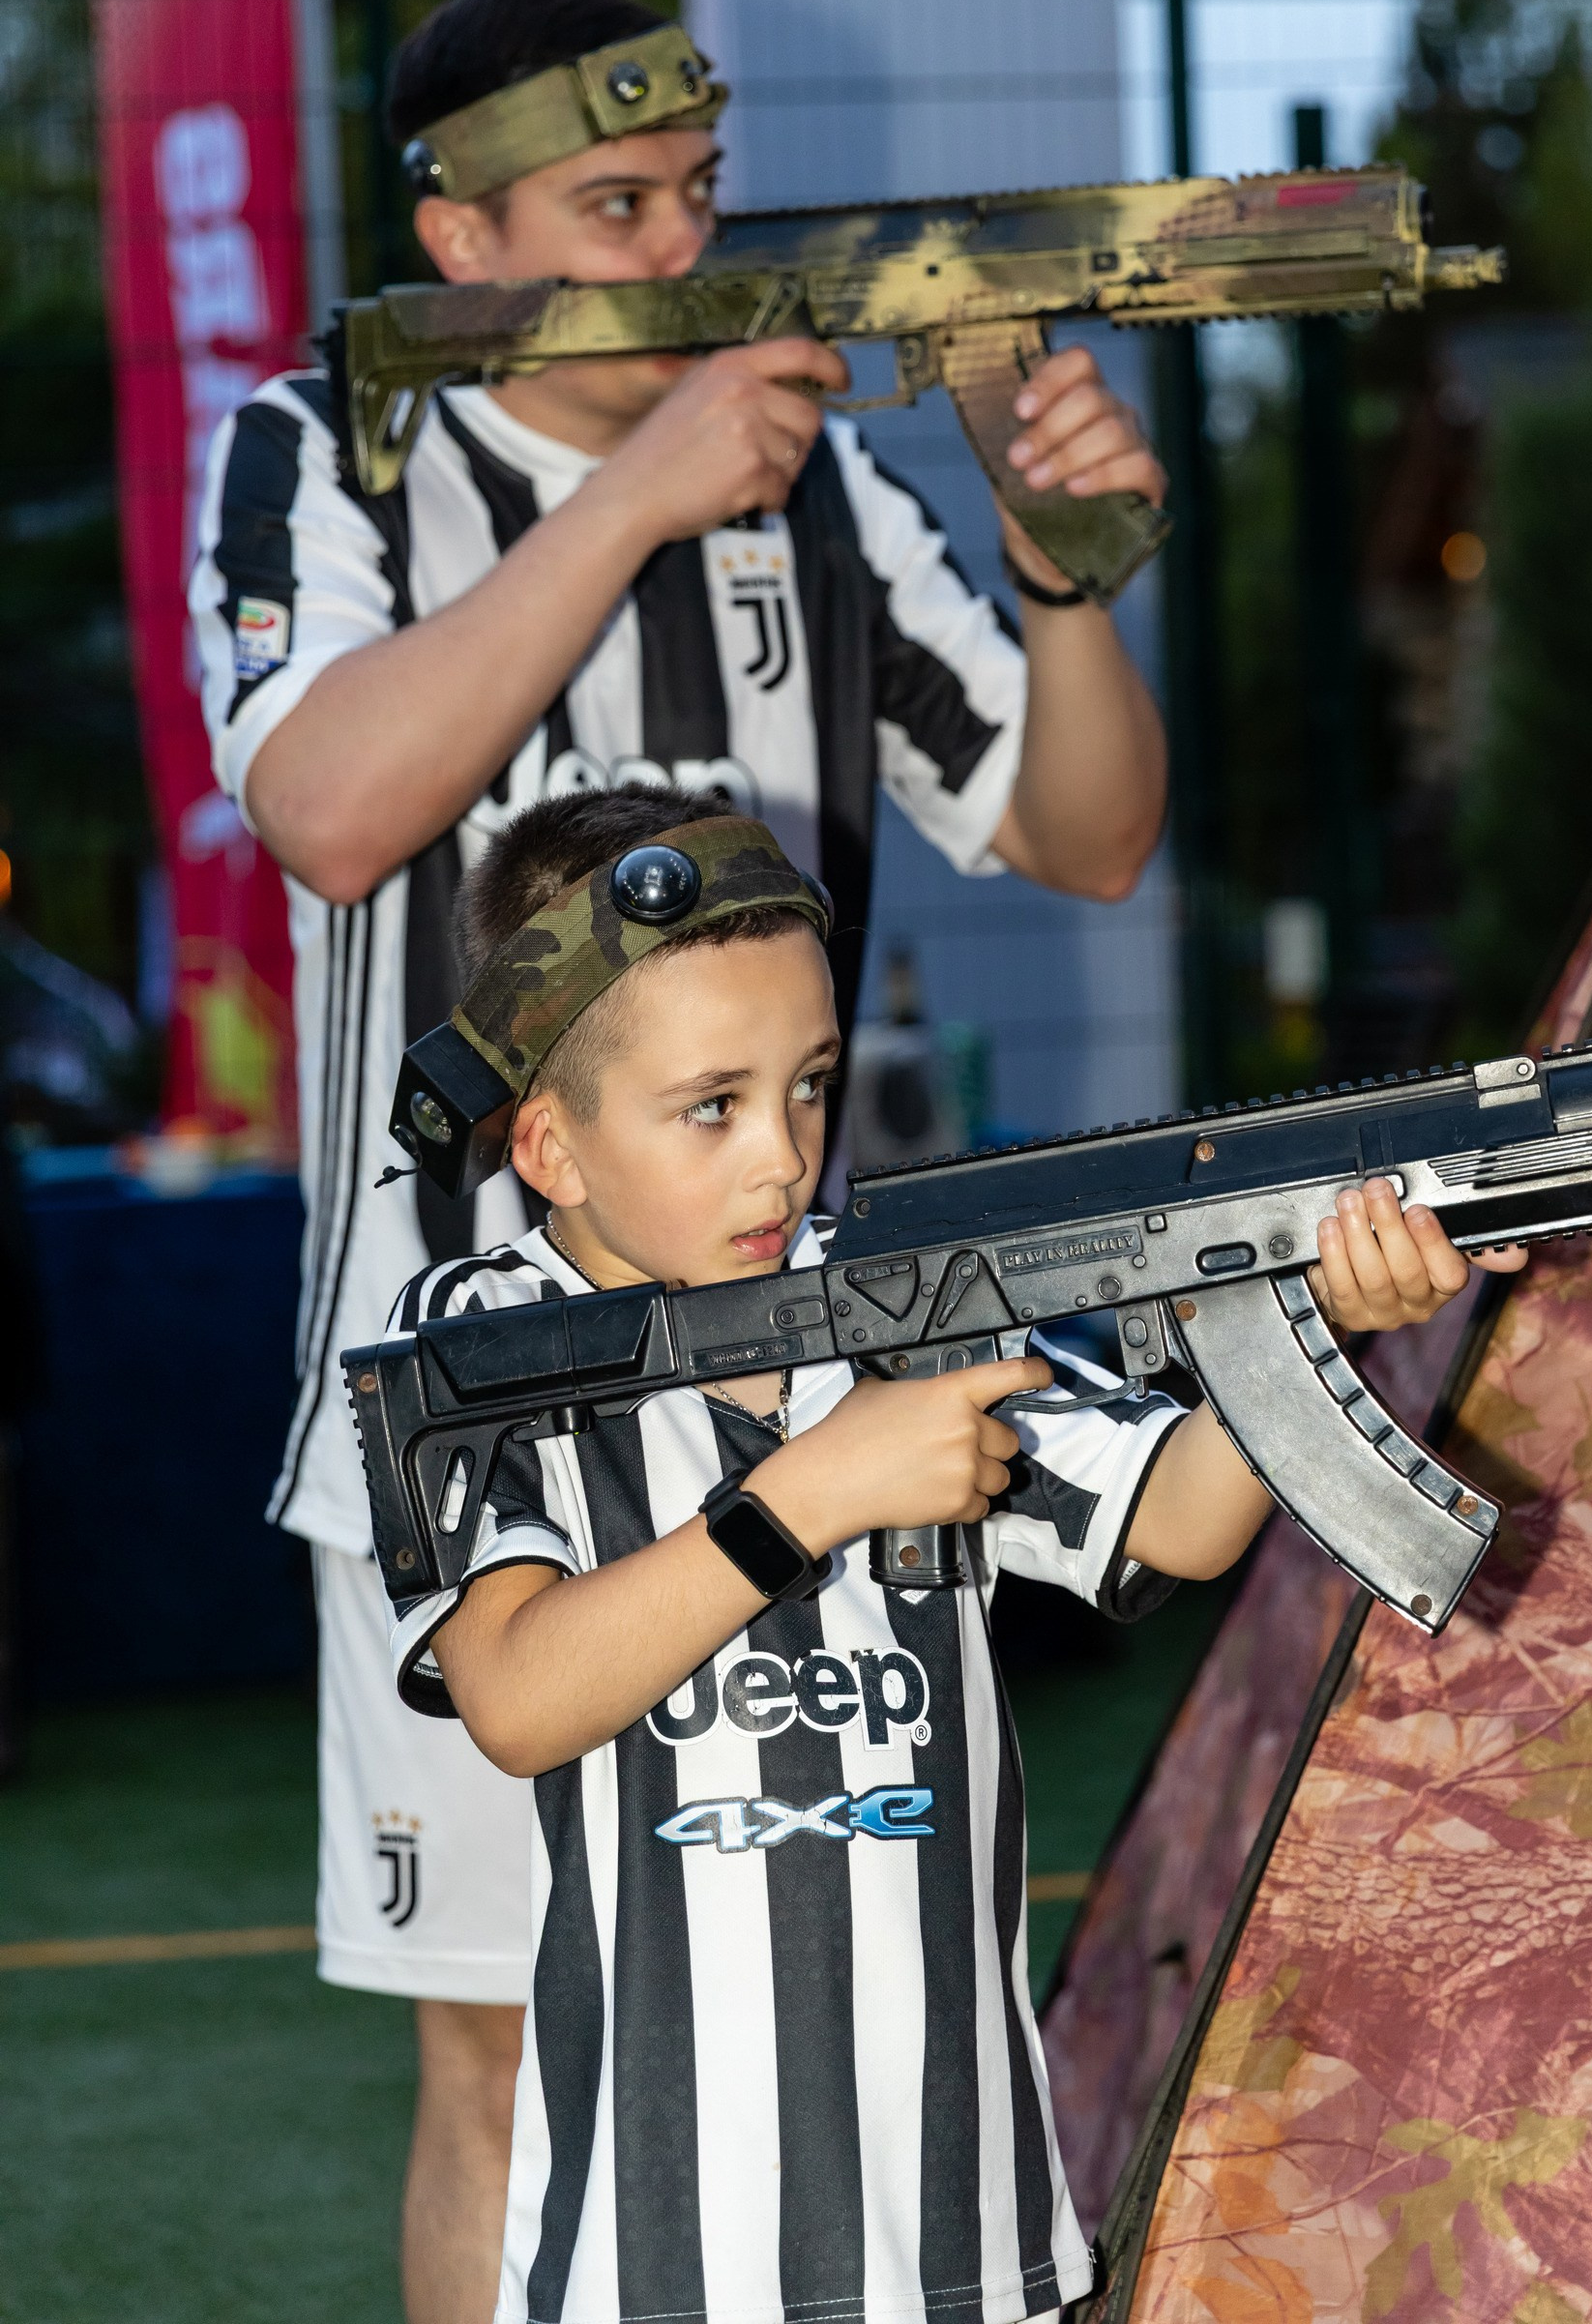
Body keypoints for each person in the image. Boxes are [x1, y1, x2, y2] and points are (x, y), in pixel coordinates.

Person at [190, 0, 1170, 2324]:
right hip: (461, 1399)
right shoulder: (334, 443)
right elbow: (328, 811)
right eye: (607, 205)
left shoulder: (811, 476)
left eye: (694, 194)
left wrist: (1057, 577)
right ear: (457, 235)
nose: (677, 244)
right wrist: (637, 489)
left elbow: (1088, 833)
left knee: (848, 2029)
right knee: (507, 2058)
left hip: (794, 1379)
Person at [385, 780, 1514, 2324]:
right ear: (552, 1148)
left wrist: (1310, 1308)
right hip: (656, 2267)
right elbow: (515, 1691)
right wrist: (815, 1492)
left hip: (971, 2245)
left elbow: (1174, 1515)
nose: (782, 1160)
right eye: (710, 1107)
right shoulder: (481, 1336)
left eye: (809, 1084)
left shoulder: (896, 1306)